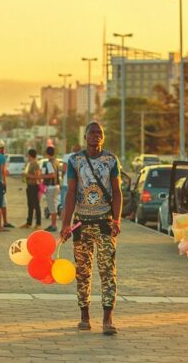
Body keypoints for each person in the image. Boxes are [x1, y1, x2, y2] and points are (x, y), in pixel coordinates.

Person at [60, 121, 122, 336]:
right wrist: (65, 224)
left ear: (103, 137)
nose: (96, 136)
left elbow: (117, 191)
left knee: (107, 270)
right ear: (85, 136)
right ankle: (84, 316)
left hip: (105, 222)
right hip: (81, 224)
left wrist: (117, 220)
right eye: (92, 133)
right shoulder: (74, 161)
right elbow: (71, 193)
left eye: (100, 133)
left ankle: (107, 318)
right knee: (83, 272)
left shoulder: (111, 160)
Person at [20, 149, 42, 229]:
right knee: (30, 205)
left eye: (28, 155)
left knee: (36, 205)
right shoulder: (29, 164)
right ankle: (29, 223)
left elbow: (37, 176)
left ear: (30, 155)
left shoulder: (36, 165)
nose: (27, 157)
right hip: (29, 186)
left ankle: (38, 223)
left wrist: (27, 175)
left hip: (34, 186)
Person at [42, 146, 60, 232]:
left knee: (52, 206)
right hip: (56, 186)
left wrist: (42, 176)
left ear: (46, 153)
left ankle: (53, 225)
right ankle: (53, 224)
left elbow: (52, 175)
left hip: (51, 186)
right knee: (54, 205)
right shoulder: (56, 161)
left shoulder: (49, 163)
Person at [61, 144, 81, 222]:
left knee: (65, 206)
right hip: (78, 185)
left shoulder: (67, 156)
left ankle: (64, 225)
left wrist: (62, 179)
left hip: (66, 184)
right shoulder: (81, 157)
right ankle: (74, 227)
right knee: (77, 208)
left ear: (72, 149)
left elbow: (64, 169)